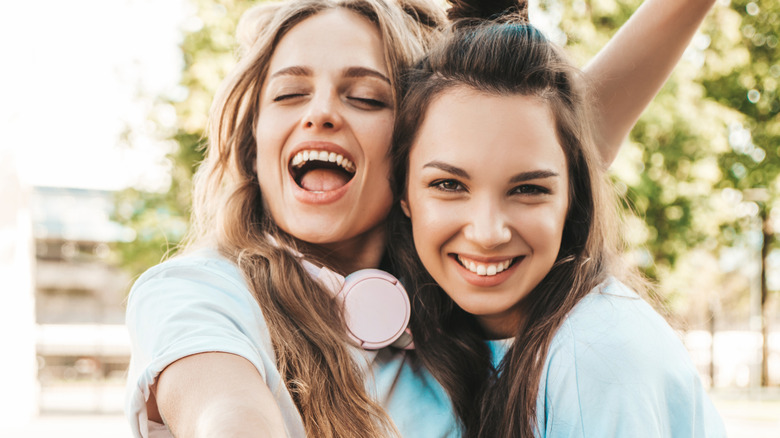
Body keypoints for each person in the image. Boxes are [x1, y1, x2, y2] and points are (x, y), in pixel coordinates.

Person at [124, 0, 718, 437]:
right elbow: (223, 412)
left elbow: (535, 135)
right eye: (289, 94)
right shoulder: (202, 290)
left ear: (411, 153)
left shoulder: (452, 285)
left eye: (365, 97)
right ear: (254, 141)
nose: (323, 113)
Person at [389, 4, 726, 437]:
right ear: (403, 194)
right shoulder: (443, 338)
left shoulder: (594, 356)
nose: (488, 232)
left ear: (573, 200)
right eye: (450, 185)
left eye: (528, 189)